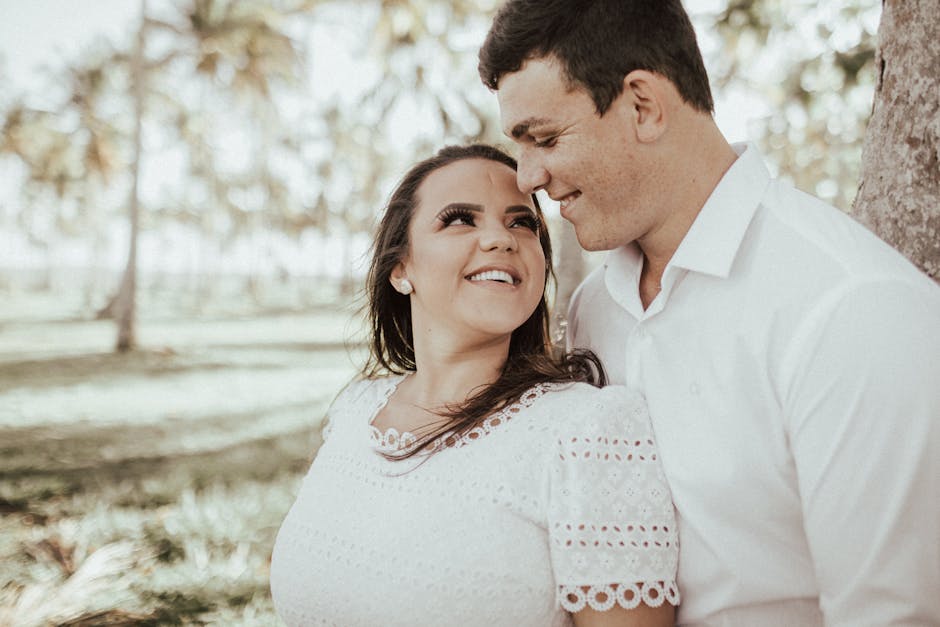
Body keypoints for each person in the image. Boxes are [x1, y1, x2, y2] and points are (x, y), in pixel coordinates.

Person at [478, 1, 940, 626]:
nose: (527, 175)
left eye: (547, 138)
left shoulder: (853, 309)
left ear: (643, 105)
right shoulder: (593, 309)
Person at [269, 144, 681, 627]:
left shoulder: (588, 430)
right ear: (401, 268)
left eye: (521, 223)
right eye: (460, 219)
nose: (500, 239)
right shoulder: (355, 410)